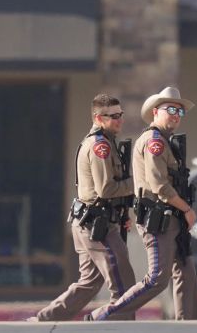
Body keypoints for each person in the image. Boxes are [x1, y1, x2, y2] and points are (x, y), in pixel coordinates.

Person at [87, 86, 197, 321]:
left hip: (172, 217)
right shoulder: (154, 141)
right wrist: (187, 209)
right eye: (171, 109)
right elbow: (160, 186)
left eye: (180, 111)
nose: (176, 115)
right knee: (157, 279)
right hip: (159, 219)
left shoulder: (167, 141)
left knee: (187, 274)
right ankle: (103, 315)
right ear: (156, 112)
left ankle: (188, 325)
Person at [30, 94, 136, 321]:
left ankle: (43, 320)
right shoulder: (100, 146)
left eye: (120, 115)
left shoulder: (105, 142)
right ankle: (100, 320)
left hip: (91, 222)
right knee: (125, 287)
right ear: (98, 118)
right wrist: (139, 182)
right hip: (98, 226)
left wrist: (123, 212)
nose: (119, 120)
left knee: (89, 283)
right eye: (113, 116)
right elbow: (106, 189)